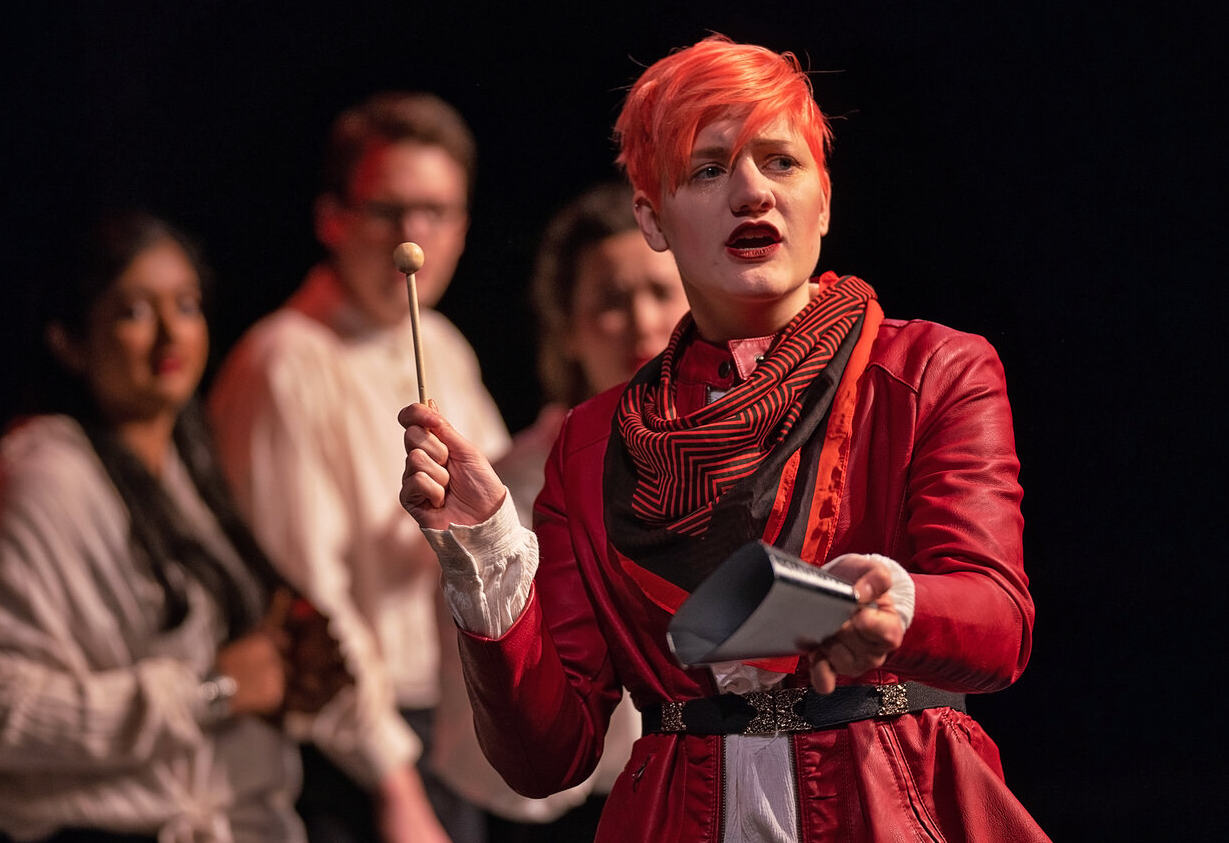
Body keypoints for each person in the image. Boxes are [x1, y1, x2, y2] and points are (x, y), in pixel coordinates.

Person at [398, 35, 1049, 843]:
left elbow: (998, 622)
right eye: (708, 170)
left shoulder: (931, 370)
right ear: (652, 218)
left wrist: (895, 607)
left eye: (780, 162)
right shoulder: (593, 442)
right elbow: (547, 757)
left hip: (890, 808)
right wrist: (487, 546)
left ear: (824, 197)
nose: (751, 193)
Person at [0, 211, 347, 843]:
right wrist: (211, 691)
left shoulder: (188, 468)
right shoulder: (43, 479)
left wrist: (294, 673)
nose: (171, 335)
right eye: (134, 312)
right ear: (68, 340)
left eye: (187, 306)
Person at [207, 92, 509, 843]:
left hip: (450, 717)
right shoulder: (285, 362)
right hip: (353, 750)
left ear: (463, 227)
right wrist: (393, 781)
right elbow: (307, 596)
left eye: (436, 211)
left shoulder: (444, 346)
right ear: (332, 219)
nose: (413, 234)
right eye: (387, 210)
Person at [431, 182, 687, 842]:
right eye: (610, 300)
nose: (641, 321)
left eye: (662, 291)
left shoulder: (729, 453)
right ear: (568, 328)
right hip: (567, 812)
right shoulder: (512, 484)